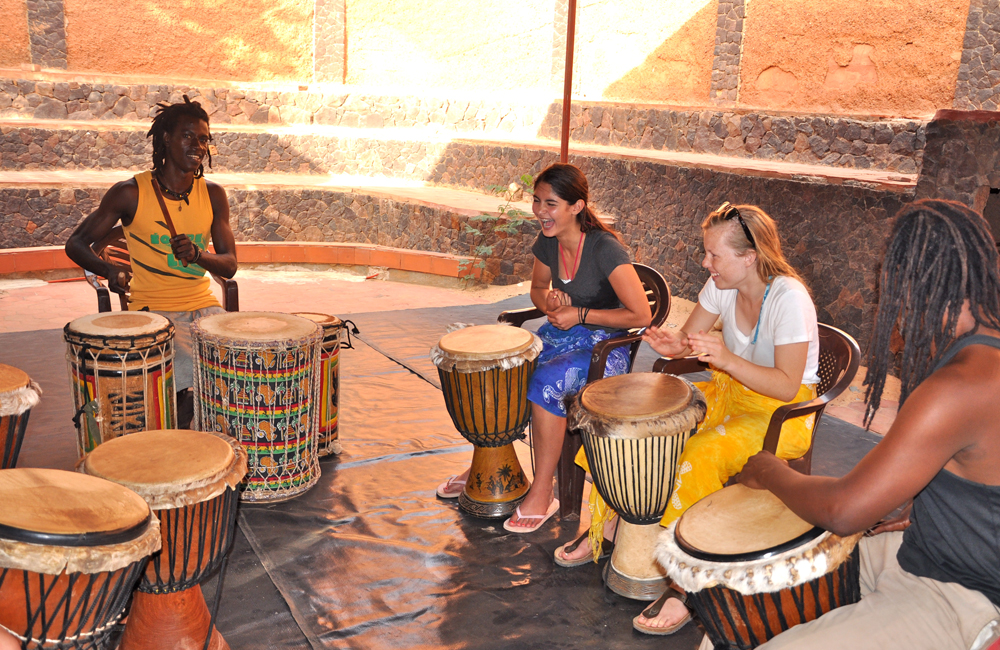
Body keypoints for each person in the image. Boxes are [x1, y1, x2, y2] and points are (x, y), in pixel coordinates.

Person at [734, 199, 1000, 650]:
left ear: (911, 285)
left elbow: (845, 511)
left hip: (964, 595)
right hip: (925, 551)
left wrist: (767, 470)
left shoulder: (959, 387)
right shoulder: (983, 354)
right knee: (746, 591)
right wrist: (923, 508)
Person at [557, 202, 820, 636]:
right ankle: (607, 523)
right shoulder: (721, 284)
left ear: (749, 257)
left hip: (780, 414)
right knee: (631, 430)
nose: (706, 263)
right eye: (706, 253)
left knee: (700, 451)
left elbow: (787, 386)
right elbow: (685, 341)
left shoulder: (789, 298)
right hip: (729, 393)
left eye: (715, 255)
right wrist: (672, 345)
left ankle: (686, 585)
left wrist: (728, 359)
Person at [435, 163, 652, 533]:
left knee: (546, 380)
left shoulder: (605, 249)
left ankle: (542, 490)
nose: (540, 211)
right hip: (562, 335)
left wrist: (580, 313)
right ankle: (489, 461)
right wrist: (550, 303)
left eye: (550, 204)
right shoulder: (547, 241)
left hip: (606, 349)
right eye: (537, 201)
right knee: (507, 371)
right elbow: (537, 289)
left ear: (577, 207)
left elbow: (642, 315)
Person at [65, 96, 237, 428]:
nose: (198, 145)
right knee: (186, 362)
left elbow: (230, 265)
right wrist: (109, 270)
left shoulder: (214, 194)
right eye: (188, 136)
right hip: (152, 311)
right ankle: (175, 440)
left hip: (205, 307)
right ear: (166, 139)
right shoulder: (130, 192)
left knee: (239, 355)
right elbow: (75, 243)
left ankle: (211, 439)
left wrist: (199, 255)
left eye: (203, 139)